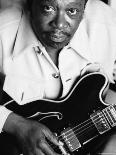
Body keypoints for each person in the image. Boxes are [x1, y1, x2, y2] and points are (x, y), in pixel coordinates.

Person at [0, 0, 116, 154]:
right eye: (48, 8)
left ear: (84, 9)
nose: (60, 24)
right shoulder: (3, 30)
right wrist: (15, 124)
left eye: (72, 11)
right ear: (30, 5)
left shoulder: (106, 23)